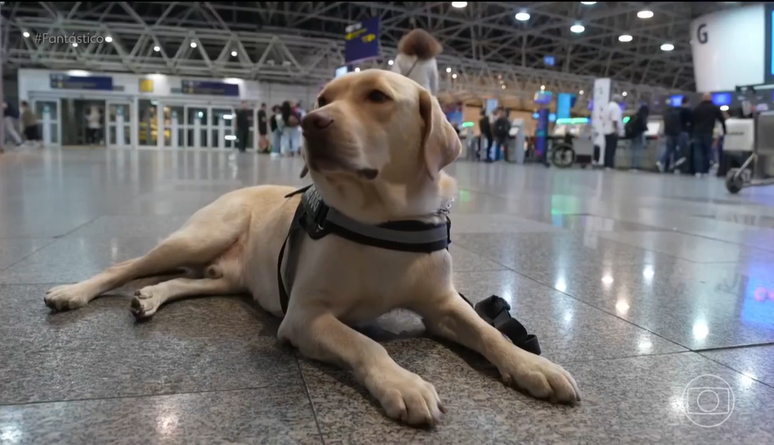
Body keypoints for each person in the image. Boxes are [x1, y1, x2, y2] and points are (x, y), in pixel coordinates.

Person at [392, 29, 441, 95]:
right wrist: (433, 96)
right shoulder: (431, 61)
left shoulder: (400, 58)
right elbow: (434, 83)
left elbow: (394, 77)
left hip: (406, 93)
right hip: (424, 94)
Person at [692, 93, 726, 177]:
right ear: (710, 99)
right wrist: (725, 130)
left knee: (698, 152)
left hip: (696, 132)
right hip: (707, 132)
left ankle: (698, 171)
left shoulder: (697, 108)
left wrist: (691, 132)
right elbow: (721, 119)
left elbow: (692, 121)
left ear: (702, 99)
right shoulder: (714, 108)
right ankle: (705, 170)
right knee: (707, 152)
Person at [657, 96, 692, 172]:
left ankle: (660, 162)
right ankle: (677, 165)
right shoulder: (687, 111)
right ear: (688, 102)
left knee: (669, 149)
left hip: (670, 132)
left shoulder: (673, 111)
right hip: (681, 132)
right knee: (681, 149)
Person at [602, 94, 624, 169]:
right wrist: (616, 130)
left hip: (606, 130)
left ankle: (606, 164)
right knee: (611, 148)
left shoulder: (608, 106)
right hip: (612, 130)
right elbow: (615, 120)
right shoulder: (616, 108)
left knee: (607, 148)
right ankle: (609, 165)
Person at [627, 103, 649, 171]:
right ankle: (636, 165)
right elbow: (643, 126)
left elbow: (627, 122)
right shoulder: (643, 116)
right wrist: (646, 128)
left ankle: (633, 165)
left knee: (634, 150)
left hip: (632, 135)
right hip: (639, 134)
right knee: (638, 150)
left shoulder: (635, 115)